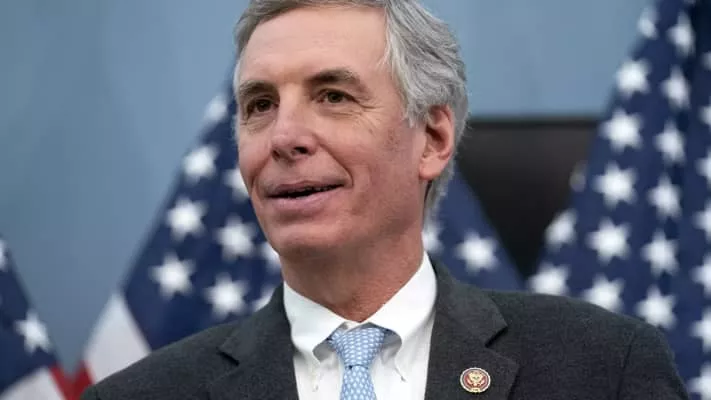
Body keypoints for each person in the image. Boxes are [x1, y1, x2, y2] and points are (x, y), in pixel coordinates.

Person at [80, 0, 689, 399]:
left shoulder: (602, 368)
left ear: (433, 139)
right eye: (260, 105)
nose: (285, 137)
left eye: (334, 96)